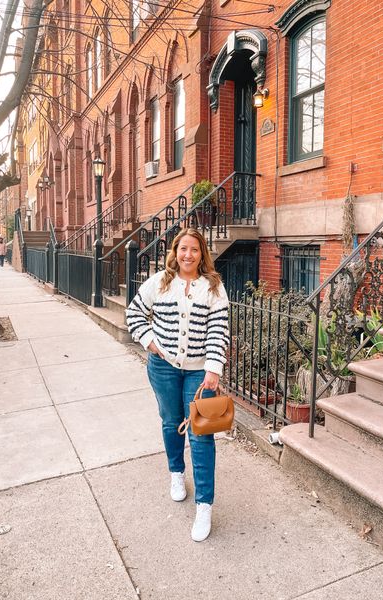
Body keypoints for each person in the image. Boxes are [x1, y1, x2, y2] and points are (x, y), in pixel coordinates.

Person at [126, 228, 229, 542]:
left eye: (194, 250)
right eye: (183, 249)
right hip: (163, 368)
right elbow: (134, 314)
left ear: (201, 254)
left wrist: (213, 368)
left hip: (200, 374)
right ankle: (176, 474)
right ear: (175, 251)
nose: (188, 255)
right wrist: (150, 342)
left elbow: (219, 330)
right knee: (171, 423)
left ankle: (204, 505)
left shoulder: (213, 288)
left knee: (202, 436)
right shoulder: (158, 282)